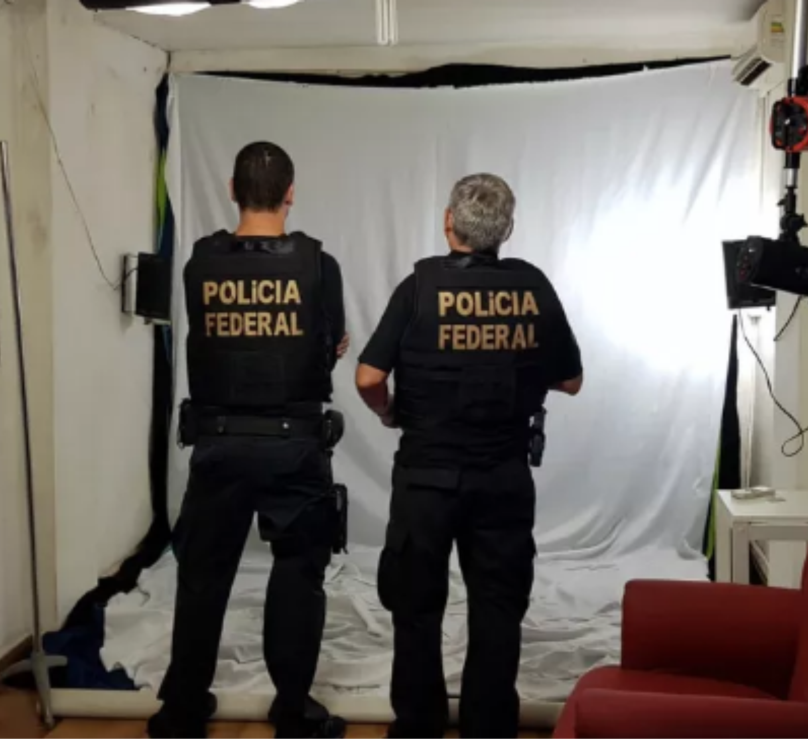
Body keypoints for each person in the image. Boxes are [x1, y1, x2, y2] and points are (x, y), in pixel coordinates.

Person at [356, 173, 583, 739]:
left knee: (415, 608)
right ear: (507, 229)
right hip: (502, 476)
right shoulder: (532, 286)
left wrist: (389, 412)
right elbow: (571, 380)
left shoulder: (418, 286)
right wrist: (512, 370)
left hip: (425, 480)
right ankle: (489, 728)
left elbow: (368, 378)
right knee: (498, 608)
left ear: (448, 223)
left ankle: (419, 727)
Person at [150, 142, 349, 739]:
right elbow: (329, 346)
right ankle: (293, 712)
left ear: (232, 191)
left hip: (218, 444)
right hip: (295, 447)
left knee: (202, 579)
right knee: (297, 575)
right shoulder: (319, 265)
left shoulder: (199, 263)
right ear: (291, 194)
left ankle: (182, 711)